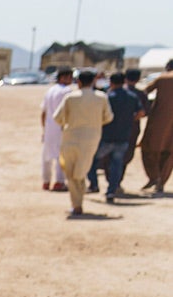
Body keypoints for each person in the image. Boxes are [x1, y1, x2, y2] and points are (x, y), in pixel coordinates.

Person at [54, 69, 113, 216]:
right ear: (93, 81)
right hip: (91, 139)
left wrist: (69, 122)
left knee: (71, 172)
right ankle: (77, 203)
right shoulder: (101, 97)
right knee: (80, 171)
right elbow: (108, 117)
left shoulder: (70, 98)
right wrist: (95, 123)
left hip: (71, 137)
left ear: (78, 82)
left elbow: (58, 117)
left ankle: (77, 204)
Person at [88, 73, 142, 203]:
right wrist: (129, 120)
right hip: (123, 136)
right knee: (117, 165)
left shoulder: (107, 97)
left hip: (106, 136)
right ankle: (111, 191)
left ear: (111, 82)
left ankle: (94, 184)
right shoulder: (132, 96)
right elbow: (141, 112)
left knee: (92, 161)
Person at [139, 59, 173, 194]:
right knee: (169, 153)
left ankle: (154, 177)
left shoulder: (162, 78)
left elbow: (144, 92)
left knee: (148, 149)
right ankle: (161, 181)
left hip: (158, 121)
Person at [40, 68, 75, 191]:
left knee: (47, 155)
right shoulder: (67, 91)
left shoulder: (50, 90)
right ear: (62, 77)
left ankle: (46, 181)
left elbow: (43, 112)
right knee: (61, 155)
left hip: (49, 127)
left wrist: (44, 128)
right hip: (61, 127)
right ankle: (59, 181)